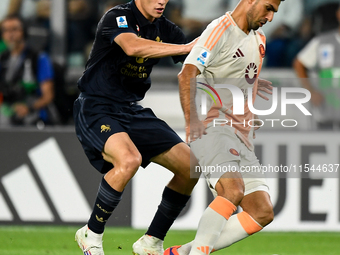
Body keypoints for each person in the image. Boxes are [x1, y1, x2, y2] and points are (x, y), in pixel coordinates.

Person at [73, 0, 199, 255]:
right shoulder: (117, 16)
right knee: (129, 159)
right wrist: (186, 47)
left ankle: (151, 241)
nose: (162, 1)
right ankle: (91, 234)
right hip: (97, 106)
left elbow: (196, 64)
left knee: (191, 166)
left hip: (131, 109)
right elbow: (131, 47)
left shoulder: (168, 30)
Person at [165, 1, 283, 255]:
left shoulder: (259, 38)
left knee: (262, 212)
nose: (270, 17)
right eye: (268, 8)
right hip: (212, 128)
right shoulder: (219, 30)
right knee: (232, 191)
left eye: (274, 11)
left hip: (240, 138)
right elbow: (187, 74)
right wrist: (191, 121)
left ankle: (180, 253)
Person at [0, 14, 57, 126]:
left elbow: (48, 95)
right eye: (6, 31)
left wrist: (28, 107)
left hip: (35, 112)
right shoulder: (2, 59)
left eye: (15, 30)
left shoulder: (39, 58)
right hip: (9, 110)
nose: (10, 35)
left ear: (24, 32)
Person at [293, 3, 340, 130]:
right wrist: (310, 91)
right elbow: (299, 63)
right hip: (328, 108)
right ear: (338, 14)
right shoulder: (322, 41)